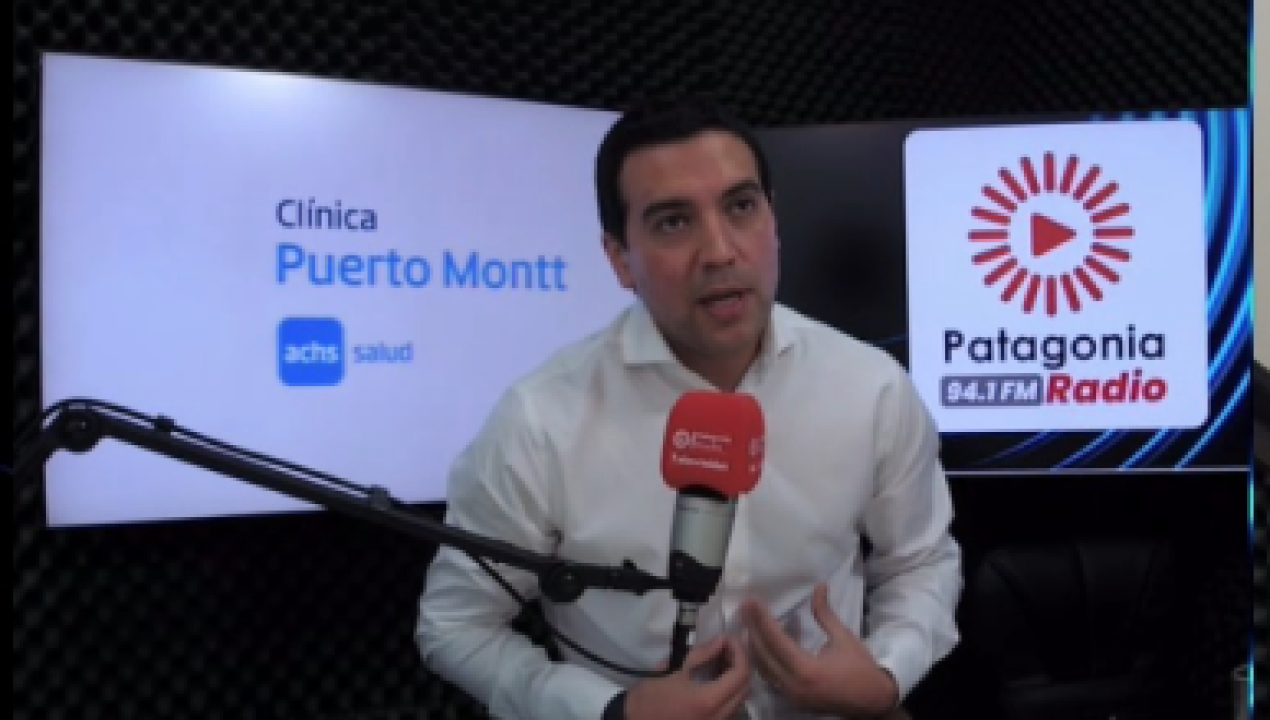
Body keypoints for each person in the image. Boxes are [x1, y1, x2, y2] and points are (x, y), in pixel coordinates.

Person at [415, 95, 963, 720]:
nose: (721, 251)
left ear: (773, 220)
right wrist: (610, 711)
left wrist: (885, 674)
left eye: (741, 207)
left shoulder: (872, 387)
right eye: (674, 222)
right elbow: (455, 625)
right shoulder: (540, 421)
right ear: (620, 259)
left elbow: (921, 561)